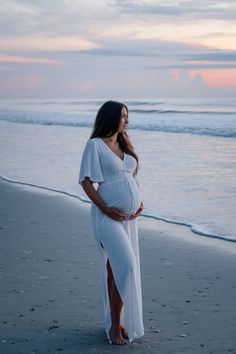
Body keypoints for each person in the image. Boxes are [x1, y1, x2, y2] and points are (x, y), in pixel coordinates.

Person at [79, 100, 144, 345]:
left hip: (128, 219)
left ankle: (113, 322)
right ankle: (115, 327)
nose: (127, 121)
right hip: (106, 218)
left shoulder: (124, 146)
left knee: (114, 272)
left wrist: (139, 202)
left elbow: (130, 178)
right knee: (125, 267)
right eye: (123, 116)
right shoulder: (94, 145)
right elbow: (86, 182)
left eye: (127, 116)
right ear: (110, 118)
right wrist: (107, 209)